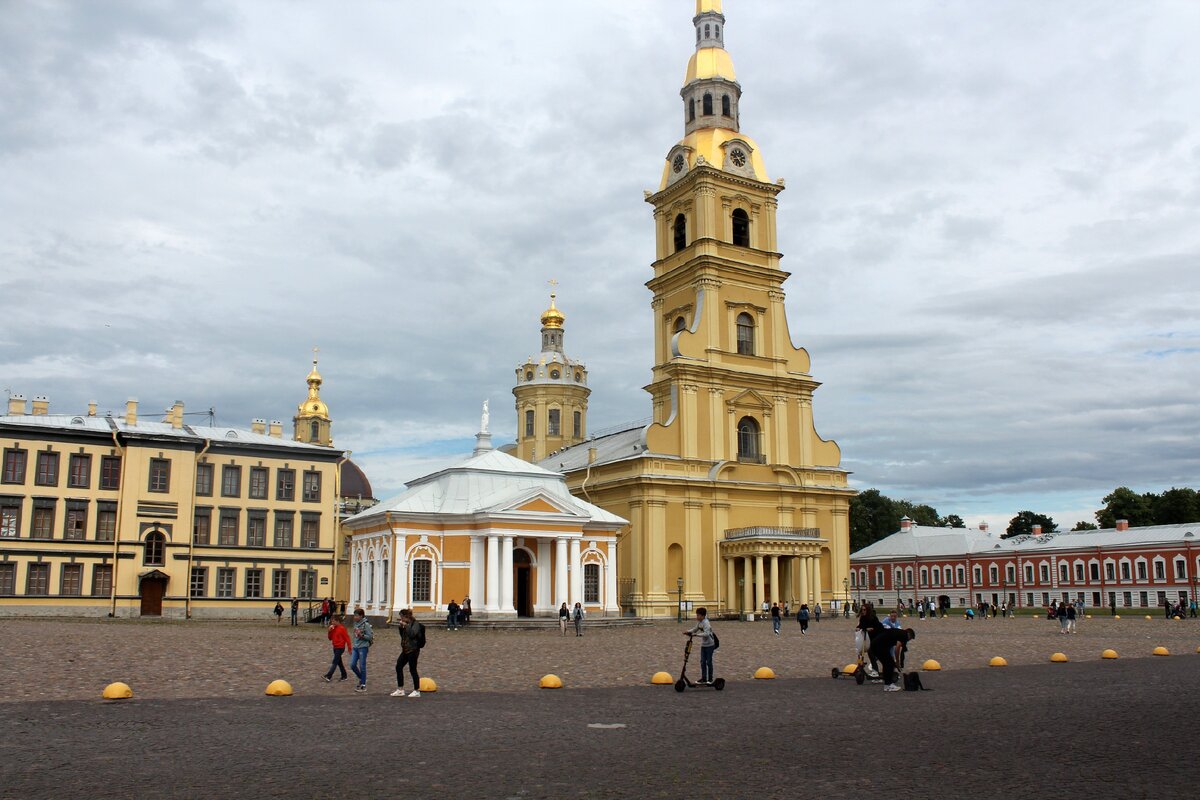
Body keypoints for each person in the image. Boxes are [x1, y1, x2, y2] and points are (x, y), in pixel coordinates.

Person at [391, 608, 426, 698]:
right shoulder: (405, 624)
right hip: (405, 649)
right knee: (398, 666)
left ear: (406, 617)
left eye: (402, 617)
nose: (401, 619)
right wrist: (401, 628)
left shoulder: (416, 624)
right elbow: (403, 636)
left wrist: (406, 626)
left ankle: (416, 690)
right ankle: (400, 689)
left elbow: (412, 634)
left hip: (413, 650)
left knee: (413, 669)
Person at [869, 627, 916, 692]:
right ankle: (888, 685)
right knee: (889, 664)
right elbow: (897, 648)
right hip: (878, 646)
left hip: (875, 645)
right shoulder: (904, 635)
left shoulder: (899, 632)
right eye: (910, 639)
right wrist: (897, 662)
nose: (908, 640)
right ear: (909, 634)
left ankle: (888, 684)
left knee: (887, 663)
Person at [683, 607, 716, 684]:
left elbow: (707, 634)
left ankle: (710, 679)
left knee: (709, 662)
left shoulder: (706, 623)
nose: (697, 617)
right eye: (697, 615)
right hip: (704, 645)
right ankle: (704, 678)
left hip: (710, 645)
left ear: (703, 616)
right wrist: (687, 631)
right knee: (702, 662)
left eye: (698, 615)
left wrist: (696, 635)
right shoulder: (699, 622)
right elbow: (695, 629)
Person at [349, 608, 373, 693]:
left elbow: (369, 636)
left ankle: (363, 684)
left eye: (356, 615)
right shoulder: (355, 623)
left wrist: (361, 635)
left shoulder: (365, 624)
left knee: (362, 666)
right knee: (352, 664)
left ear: (361, 616)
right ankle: (361, 678)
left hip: (363, 647)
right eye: (354, 615)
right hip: (355, 647)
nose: (355, 617)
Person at [323, 614, 350, 682]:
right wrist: (329, 631)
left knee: (335, 661)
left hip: (340, 648)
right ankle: (344, 675)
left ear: (337, 621)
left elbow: (347, 638)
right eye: (332, 621)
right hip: (335, 647)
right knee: (339, 662)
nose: (332, 623)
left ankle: (329, 676)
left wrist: (349, 648)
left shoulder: (342, 628)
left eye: (333, 621)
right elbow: (330, 638)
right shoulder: (333, 628)